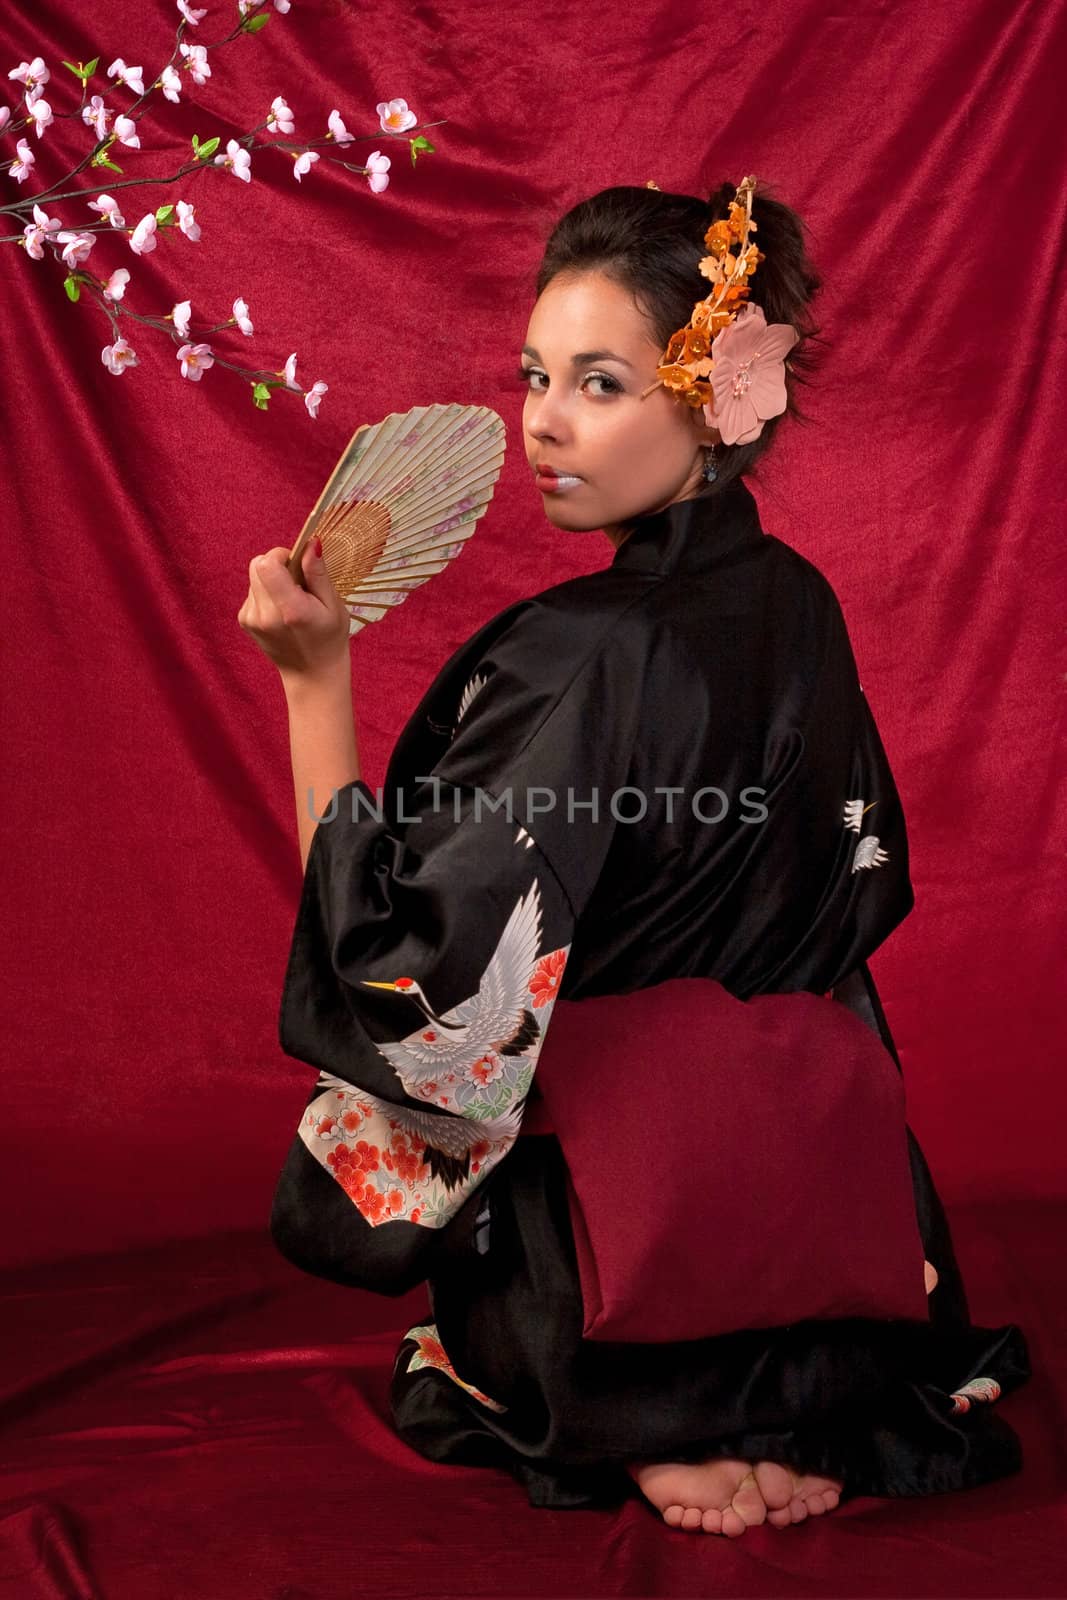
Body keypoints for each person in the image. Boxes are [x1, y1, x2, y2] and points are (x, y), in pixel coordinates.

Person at [239, 178, 1030, 1536]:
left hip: (612, 1255)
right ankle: (764, 1399)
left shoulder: (587, 653)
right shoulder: (801, 604)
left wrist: (318, 686)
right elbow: (847, 897)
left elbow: (421, 989)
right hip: (818, 1226)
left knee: (486, 1090)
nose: (543, 419)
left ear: (718, 400)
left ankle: (640, 1420)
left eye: (599, 382)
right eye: (535, 374)